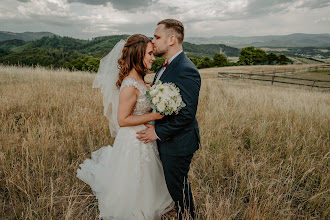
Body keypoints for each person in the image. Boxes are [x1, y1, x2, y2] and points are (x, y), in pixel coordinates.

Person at [76, 34, 174, 220]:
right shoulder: (129, 84)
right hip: (133, 138)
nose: (153, 58)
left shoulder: (138, 79)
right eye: (150, 54)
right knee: (132, 179)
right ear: (138, 55)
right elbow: (123, 119)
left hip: (144, 134)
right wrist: (154, 115)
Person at [136, 19, 201, 219]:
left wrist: (156, 132)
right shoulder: (165, 66)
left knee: (179, 190)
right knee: (173, 188)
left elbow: (187, 115)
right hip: (167, 141)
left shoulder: (186, 69)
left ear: (172, 39)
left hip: (178, 144)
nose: (152, 41)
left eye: (157, 37)